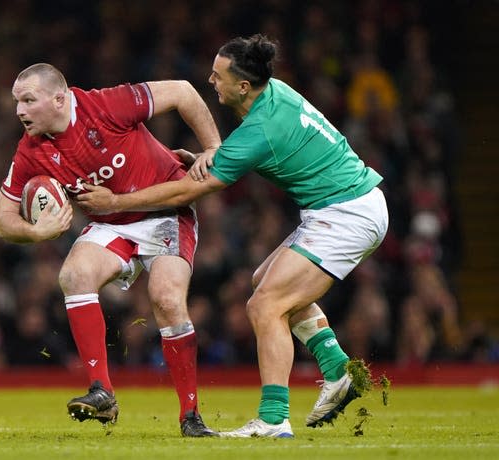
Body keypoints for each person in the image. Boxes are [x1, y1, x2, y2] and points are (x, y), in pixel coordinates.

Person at [77, 35, 389, 438]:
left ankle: (274, 419)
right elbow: (236, 157)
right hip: (349, 205)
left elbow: (189, 191)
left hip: (346, 213)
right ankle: (337, 370)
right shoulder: (273, 94)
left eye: (218, 75)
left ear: (243, 86)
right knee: (265, 283)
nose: (210, 81)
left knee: (266, 305)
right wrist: (209, 159)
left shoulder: (261, 128)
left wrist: (113, 201)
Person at [0, 63, 221, 437]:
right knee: (73, 274)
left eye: (28, 100)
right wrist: (36, 232)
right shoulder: (30, 150)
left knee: (166, 299)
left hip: (165, 209)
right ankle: (103, 391)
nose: (19, 111)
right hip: (113, 223)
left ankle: (191, 416)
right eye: (17, 101)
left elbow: (182, 90)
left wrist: (213, 147)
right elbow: (2, 219)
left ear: (58, 98)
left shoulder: (106, 106)